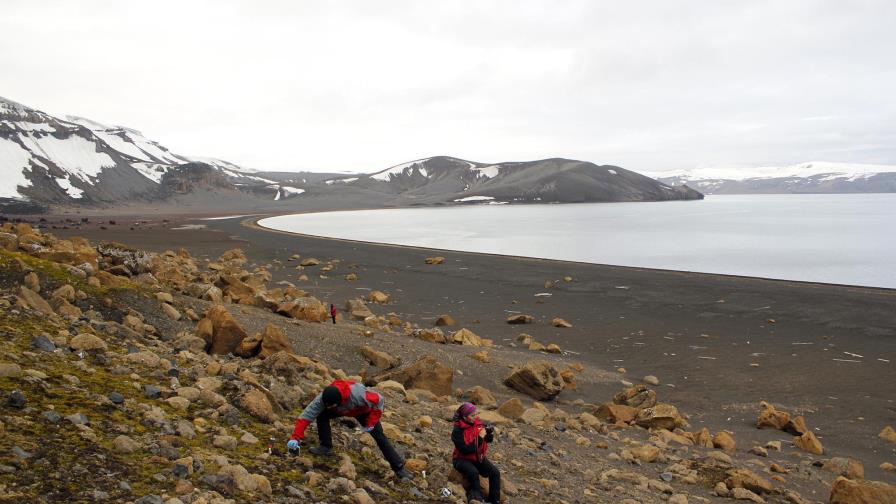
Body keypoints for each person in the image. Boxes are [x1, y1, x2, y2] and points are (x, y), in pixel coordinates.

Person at [287, 380, 412, 480]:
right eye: (326, 405)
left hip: (363, 411)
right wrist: (295, 438)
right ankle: (325, 446)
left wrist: (371, 422)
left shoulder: (359, 395)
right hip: (341, 409)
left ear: (339, 401)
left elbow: (380, 401)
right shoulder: (323, 399)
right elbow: (306, 416)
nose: (327, 407)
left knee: (379, 437)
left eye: (330, 405)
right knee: (322, 414)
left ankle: (399, 467)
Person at [451, 402, 501, 504]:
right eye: (472, 415)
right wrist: (480, 437)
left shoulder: (478, 424)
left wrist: (488, 434)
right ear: (464, 417)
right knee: (473, 472)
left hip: (477, 457)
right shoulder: (457, 430)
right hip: (461, 459)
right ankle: (477, 499)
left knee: (495, 473)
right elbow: (466, 450)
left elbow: (488, 440)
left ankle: (494, 500)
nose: (475, 417)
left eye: (475, 414)